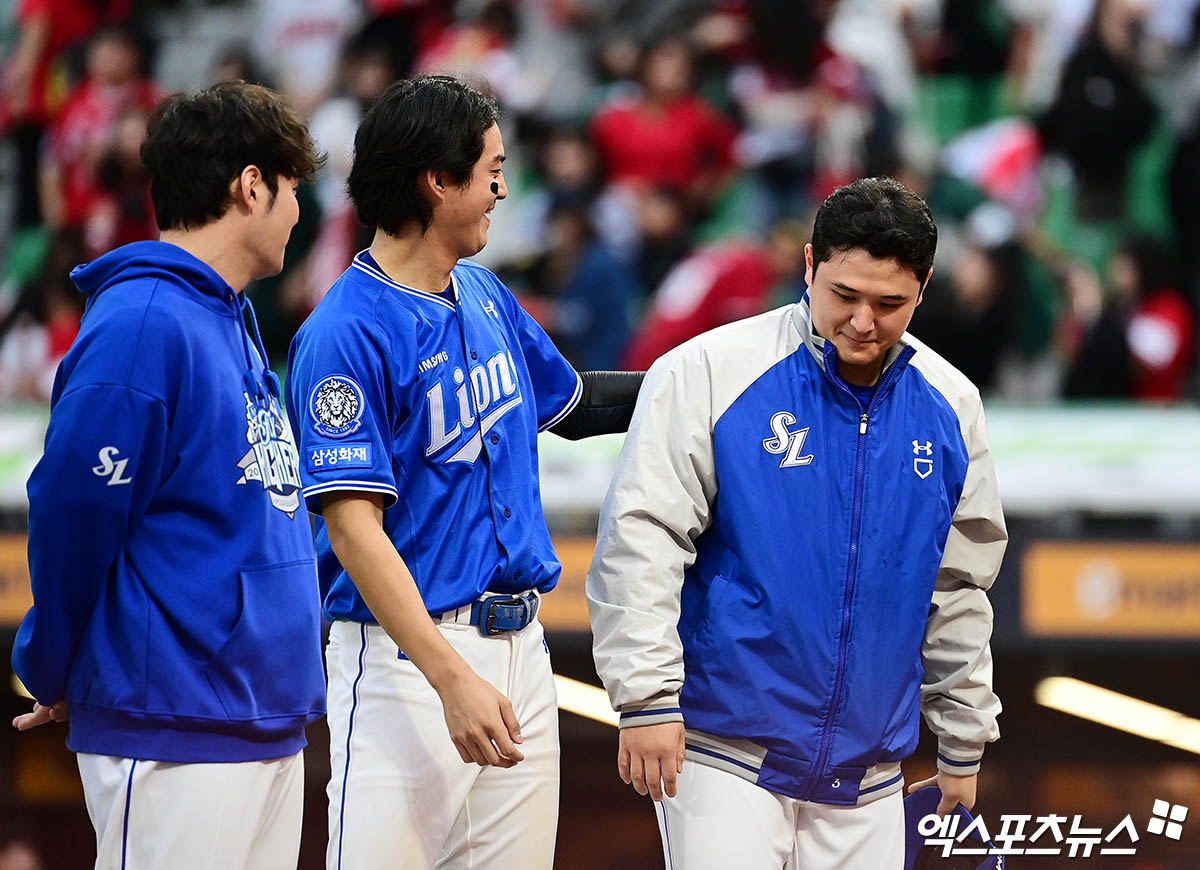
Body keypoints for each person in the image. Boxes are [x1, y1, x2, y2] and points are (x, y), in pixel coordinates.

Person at [587, 177, 1008, 869]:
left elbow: (958, 586)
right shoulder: (709, 370)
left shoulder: (953, 405)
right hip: (723, 751)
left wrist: (963, 743)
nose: (863, 321)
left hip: (870, 773)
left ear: (924, 288)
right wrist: (646, 699)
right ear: (809, 265)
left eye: (889, 304)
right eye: (845, 295)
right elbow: (642, 536)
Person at [285, 74, 641, 870]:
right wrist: (450, 679)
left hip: (522, 652)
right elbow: (352, 529)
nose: (502, 190)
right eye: (491, 170)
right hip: (406, 664)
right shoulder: (344, 330)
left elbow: (573, 404)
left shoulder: (482, 291)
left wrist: (709, 383)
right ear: (437, 180)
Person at [10, 81, 326, 870]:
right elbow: (72, 507)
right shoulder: (144, 320)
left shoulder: (227, 316)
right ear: (251, 186)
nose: (299, 212)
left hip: (260, 719)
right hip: (173, 727)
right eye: (293, 188)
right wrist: (50, 660)